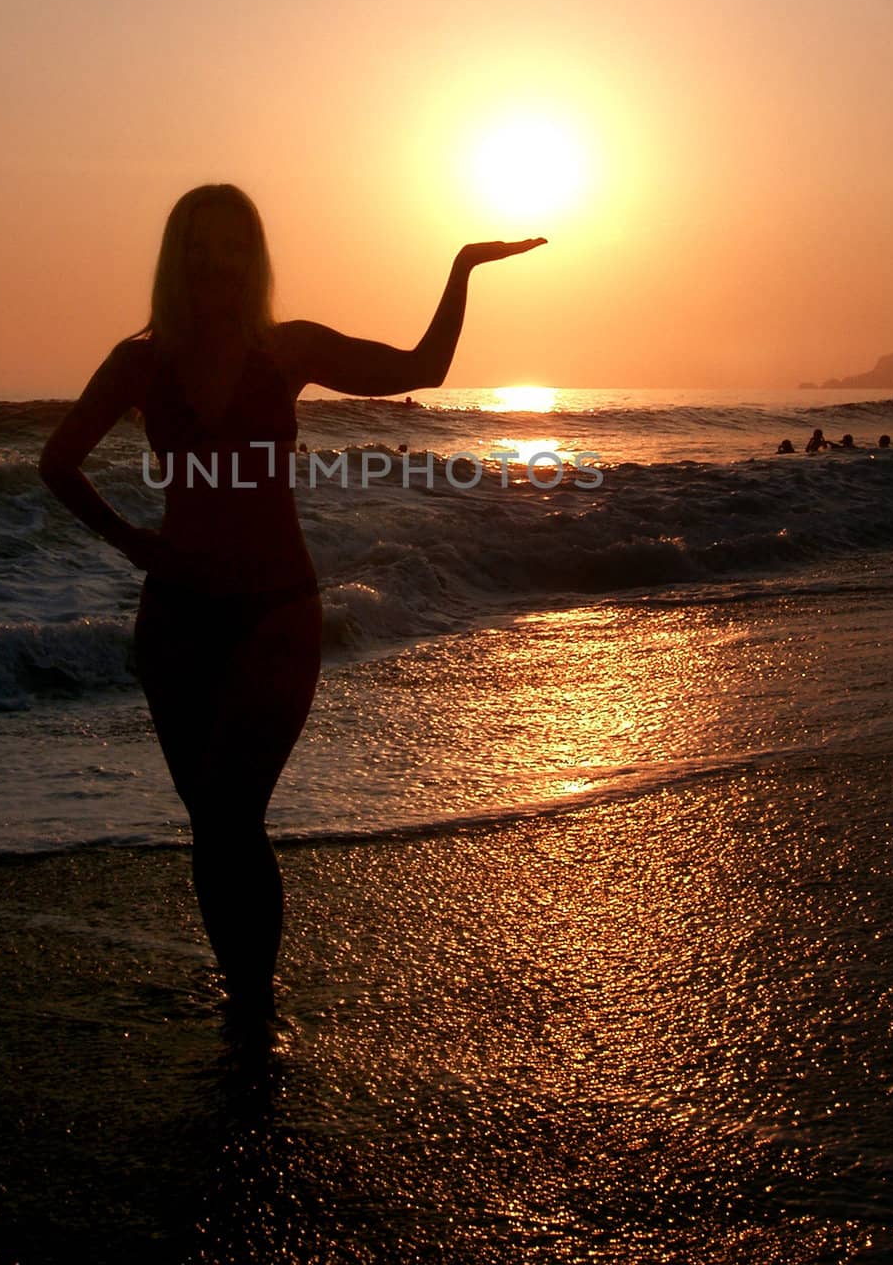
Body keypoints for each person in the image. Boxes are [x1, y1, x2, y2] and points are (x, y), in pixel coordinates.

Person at [37, 182, 546, 1029]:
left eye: (235, 243)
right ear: (179, 255)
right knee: (210, 820)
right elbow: (58, 462)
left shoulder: (288, 349)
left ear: (253, 254)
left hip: (275, 611)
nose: (219, 260)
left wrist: (461, 269)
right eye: (202, 245)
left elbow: (422, 370)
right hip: (176, 617)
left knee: (233, 812)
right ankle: (245, 1003)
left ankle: (255, 1011)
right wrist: (134, 543)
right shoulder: (140, 362)